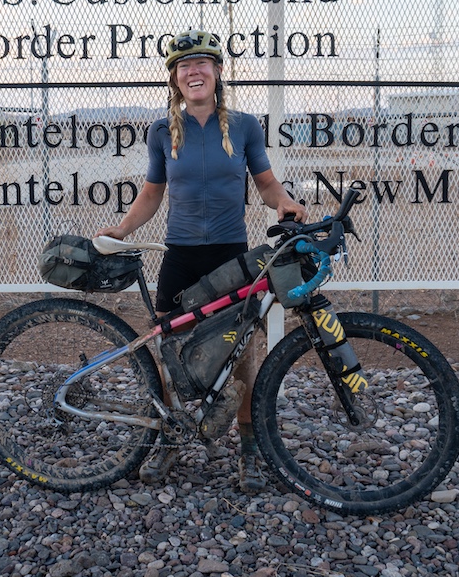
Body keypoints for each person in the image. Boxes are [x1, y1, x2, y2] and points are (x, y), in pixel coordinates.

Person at [96, 28, 307, 495]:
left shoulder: (246, 126)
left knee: (241, 356)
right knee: (170, 354)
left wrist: (284, 202)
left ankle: (249, 451)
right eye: (184, 66)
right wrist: (122, 229)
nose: (194, 71)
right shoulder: (160, 131)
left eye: (202, 63)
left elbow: (267, 184)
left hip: (230, 255)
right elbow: (153, 193)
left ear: (217, 72)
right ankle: (169, 439)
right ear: (174, 78)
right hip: (181, 256)